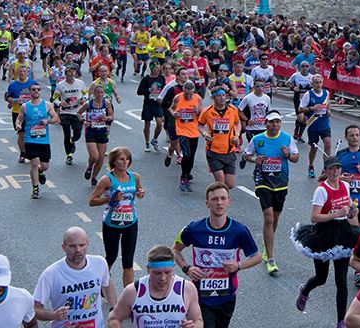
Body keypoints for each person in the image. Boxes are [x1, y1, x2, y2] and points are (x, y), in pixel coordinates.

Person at [173, 182, 260, 328]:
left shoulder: (239, 231)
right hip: (201, 297)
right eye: (214, 199)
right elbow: (174, 250)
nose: (219, 203)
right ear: (207, 203)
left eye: (223, 198)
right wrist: (187, 268)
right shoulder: (194, 229)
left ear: (228, 202)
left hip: (227, 296)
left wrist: (238, 266)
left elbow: (257, 257)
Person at [293, 158, 360, 327]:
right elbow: (314, 217)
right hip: (323, 235)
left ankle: (341, 321)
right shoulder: (321, 190)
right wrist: (337, 213)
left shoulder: (345, 186)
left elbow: (348, 209)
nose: (335, 172)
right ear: (326, 171)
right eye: (332, 169)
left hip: (342, 233)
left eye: (338, 168)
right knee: (321, 278)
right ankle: (305, 290)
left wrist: (352, 212)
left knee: (341, 280)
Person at [243, 109, 299, 275]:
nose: (275, 125)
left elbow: (296, 158)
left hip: (281, 183)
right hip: (263, 182)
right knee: (268, 217)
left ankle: (268, 246)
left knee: (275, 218)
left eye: (277, 122)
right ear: (265, 123)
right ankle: (271, 258)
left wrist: (288, 155)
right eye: (272, 122)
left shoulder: (287, 139)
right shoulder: (258, 139)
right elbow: (246, 155)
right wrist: (255, 159)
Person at [33, 227, 116, 328]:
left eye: (82, 245)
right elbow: (35, 309)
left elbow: (107, 285)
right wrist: (53, 315)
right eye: (72, 246)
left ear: (88, 243)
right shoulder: (51, 274)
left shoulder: (99, 263)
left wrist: (113, 310)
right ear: (64, 247)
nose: (78, 250)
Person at [88, 147, 145, 287]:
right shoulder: (107, 180)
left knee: (128, 261)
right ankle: (102, 284)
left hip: (130, 222)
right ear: (114, 161)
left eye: (127, 159)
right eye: (121, 159)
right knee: (111, 257)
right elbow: (92, 201)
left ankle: (128, 295)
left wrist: (141, 193)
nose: (125, 162)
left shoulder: (134, 177)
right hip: (111, 224)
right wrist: (110, 199)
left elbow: (139, 192)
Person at [107, 245, 203, 328]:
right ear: (148, 269)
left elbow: (198, 321)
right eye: (157, 273)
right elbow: (114, 318)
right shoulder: (133, 291)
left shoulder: (187, 288)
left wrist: (194, 326)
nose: (163, 278)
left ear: (174, 268)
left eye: (167, 272)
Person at [15, 82, 60, 199]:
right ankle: (35, 188)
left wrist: (47, 121)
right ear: (30, 92)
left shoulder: (47, 105)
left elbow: (55, 118)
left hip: (44, 140)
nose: (36, 91)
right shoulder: (25, 106)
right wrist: (18, 125)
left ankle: (41, 172)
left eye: (38, 89)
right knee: (34, 163)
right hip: (30, 139)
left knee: (45, 166)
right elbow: (19, 119)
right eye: (33, 89)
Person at [200, 89, 242, 189]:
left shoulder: (232, 110)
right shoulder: (207, 111)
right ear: (213, 98)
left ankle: (214, 191)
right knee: (221, 182)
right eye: (219, 96)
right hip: (213, 151)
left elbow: (237, 123)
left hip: (229, 150)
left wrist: (236, 135)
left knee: (230, 184)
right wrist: (205, 134)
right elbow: (200, 125)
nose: (222, 98)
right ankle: (221, 200)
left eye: (224, 95)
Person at [79, 83, 115, 185]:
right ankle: (89, 167)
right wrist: (83, 122)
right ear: (94, 93)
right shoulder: (88, 104)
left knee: (101, 158)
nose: (99, 94)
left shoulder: (107, 103)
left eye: (101, 92)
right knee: (94, 156)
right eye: (97, 92)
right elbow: (78, 113)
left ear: (104, 93)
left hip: (102, 131)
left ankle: (94, 177)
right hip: (91, 131)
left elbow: (111, 116)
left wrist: (107, 118)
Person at [172, 80, 204, 192]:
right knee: (187, 153)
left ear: (193, 92)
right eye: (186, 93)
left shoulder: (197, 98)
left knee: (192, 156)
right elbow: (171, 108)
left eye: (190, 94)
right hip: (181, 130)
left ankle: (187, 174)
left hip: (194, 131)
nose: (188, 96)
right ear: (183, 91)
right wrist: (173, 113)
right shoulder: (178, 97)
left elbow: (202, 113)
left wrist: (198, 111)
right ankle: (183, 177)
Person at [300, 73, 334, 178]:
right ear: (312, 84)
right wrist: (311, 108)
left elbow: (328, 105)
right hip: (313, 125)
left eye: (320, 82)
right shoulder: (308, 94)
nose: (318, 85)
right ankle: (311, 166)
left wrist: (328, 111)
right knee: (314, 148)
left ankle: (325, 169)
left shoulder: (326, 93)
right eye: (316, 83)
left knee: (328, 144)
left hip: (324, 123)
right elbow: (300, 109)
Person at [237, 76, 275, 168]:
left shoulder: (266, 98)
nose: (260, 88)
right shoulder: (248, 98)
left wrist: (269, 123)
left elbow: (269, 111)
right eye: (257, 86)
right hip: (252, 128)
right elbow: (239, 110)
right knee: (257, 149)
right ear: (254, 87)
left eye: (262, 86)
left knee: (262, 150)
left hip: (263, 127)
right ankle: (246, 156)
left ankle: (259, 169)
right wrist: (246, 120)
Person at [55, 65, 88, 165]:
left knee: (77, 132)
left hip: (77, 112)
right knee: (66, 134)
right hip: (65, 112)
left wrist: (84, 99)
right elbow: (54, 99)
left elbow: (86, 94)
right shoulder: (60, 85)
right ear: (66, 73)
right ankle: (68, 155)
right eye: (69, 72)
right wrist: (60, 103)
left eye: (73, 72)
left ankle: (73, 140)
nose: (71, 74)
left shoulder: (80, 83)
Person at [136, 60, 165, 152]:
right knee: (147, 125)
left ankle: (154, 139)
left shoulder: (161, 78)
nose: (158, 69)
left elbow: (164, 89)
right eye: (156, 67)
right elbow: (139, 92)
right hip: (148, 104)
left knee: (160, 123)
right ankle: (147, 142)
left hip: (158, 104)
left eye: (159, 67)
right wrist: (149, 89)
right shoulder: (146, 79)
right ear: (152, 68)